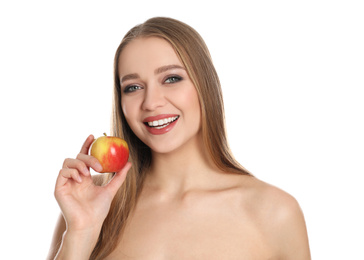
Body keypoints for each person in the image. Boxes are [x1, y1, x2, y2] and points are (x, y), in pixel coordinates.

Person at [48, 17, 311, 260]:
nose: (151, 102)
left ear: (204, 85)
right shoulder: (92, 203)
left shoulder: (275, 212)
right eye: (133, 87)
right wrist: (80, 233)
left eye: (171, 78)